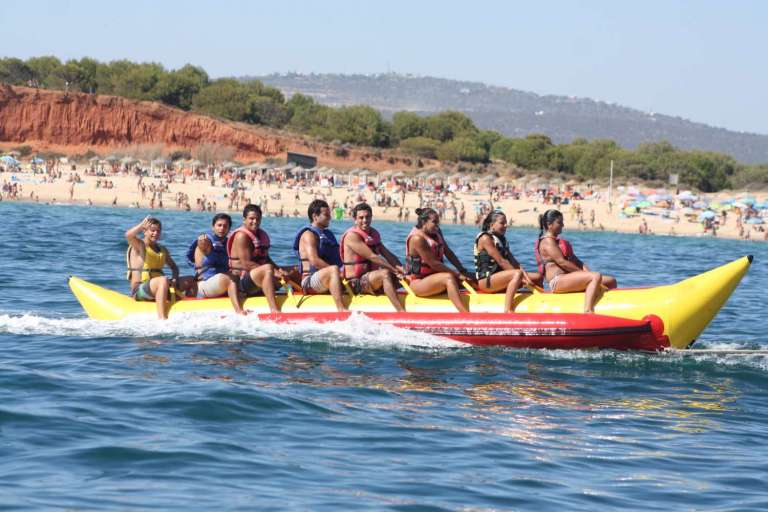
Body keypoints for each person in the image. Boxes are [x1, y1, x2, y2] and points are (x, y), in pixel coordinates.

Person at [535, 209, 617, 313]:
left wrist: (587, 273)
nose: (563, 225)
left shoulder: (559, 243)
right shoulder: (547, 242)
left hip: (569, 278)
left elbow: (577, 261)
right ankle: (588, 310)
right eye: (559, 222)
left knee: (611, 281)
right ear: (549, 224)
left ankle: (603, 303)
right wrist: (585, 274)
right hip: (557, 281)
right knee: (595, 276)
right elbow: (562, 262)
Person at [404, 208, 473, 312]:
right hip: (418, 282)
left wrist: (462, 270)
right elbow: (434, 264)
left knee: (471, 277)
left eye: (438, 222)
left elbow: (448, 252)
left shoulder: (436, 232)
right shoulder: (417, 238)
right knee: (449, 278)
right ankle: (464, 314)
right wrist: (457, 275)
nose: (437, 225)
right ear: (423, 222)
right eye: (434, 222)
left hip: (435, 278)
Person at [340, 203, 405, 312]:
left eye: (368, 217)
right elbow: (373, 257)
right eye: (361, 217)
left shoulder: (373, 234)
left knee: (408, 277)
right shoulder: (352, 236)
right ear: (354, 219)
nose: (365, 220)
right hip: (356, 283)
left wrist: (403, 271)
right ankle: (401, 312)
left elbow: (388, 254)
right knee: (385, 274)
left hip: (371, 279)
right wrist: (394, 270)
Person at [474, 210, 539, 313]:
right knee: (517, 274)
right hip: (486, 282)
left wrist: (526, 277)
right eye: (502, 223)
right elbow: (501, 261)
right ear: (492, 225)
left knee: (537, 277)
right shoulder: (485, 238)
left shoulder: (502, 240)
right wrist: (521, 277)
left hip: (500, 278)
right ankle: (508, 309)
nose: (505, 225)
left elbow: (514, 262)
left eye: (506, 223)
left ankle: (539, 301)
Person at [125, 216, 190, 320]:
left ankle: (189, 308)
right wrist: (141, 225)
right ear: (145, 231)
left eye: (158, 231)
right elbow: (128, 235)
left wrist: (174, 279)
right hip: (140, 290)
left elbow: (174, 267)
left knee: (190, 280)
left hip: (160, 286)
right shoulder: (140, 246)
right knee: (162, 280)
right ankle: (161, 318)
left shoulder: (162, 249)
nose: (155, 233)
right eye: (152, 230)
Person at [293, 199, 347, 312]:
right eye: (326, 215)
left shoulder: (328, 234)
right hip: (309, 282)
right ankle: (341, 309)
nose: (330, 217)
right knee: (333, 270)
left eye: (329, 214)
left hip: (328, 277)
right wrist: (339, 272)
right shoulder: (308, 235)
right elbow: (314, 261)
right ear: (315, 216)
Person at [186, 213, 244, 315]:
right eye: (219, 225)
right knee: (228, 278)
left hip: (221, 284)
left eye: (225, 226)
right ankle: (239, 311)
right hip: (204, 285)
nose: (222, 228)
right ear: (213, 227)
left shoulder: (230, 244)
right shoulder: (205, 241)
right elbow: (201, 252)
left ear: (229, 228)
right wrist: (202, 244)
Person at [227, 204, 281, 313]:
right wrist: (273, 271)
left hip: (255, 278)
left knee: (293, 270)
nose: (255, 221)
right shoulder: (241, 236)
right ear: (244, 220)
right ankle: (274, 310)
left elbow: (265, 258)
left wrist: (279, 270)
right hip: (242, 283)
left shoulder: (260, 235)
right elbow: (246, 264)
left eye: (258, 219)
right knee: (267, 269)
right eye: (251, 219)